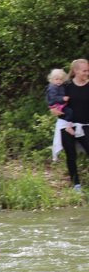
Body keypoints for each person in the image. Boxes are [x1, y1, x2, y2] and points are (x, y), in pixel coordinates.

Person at [57, 58, 89, 191]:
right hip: (67, 126)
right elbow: (55, 103)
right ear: (75, 71)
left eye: (88, 70)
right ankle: (76, 184)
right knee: (71, 155)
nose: (87, 73)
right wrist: (55, 110)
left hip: (85, 125)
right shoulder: (66, 86)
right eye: (84, 71)